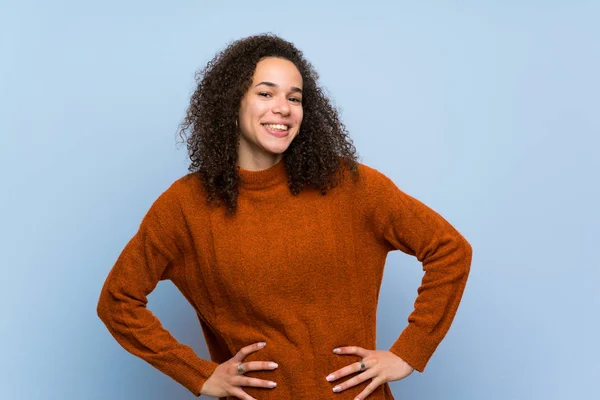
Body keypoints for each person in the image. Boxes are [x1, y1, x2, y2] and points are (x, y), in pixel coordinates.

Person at [97, 33, 473, 400]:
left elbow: (449, 249)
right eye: (265, 93)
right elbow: (118, 301)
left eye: (295, 97)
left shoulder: (350, 185)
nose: (283, 108)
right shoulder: (186, 205)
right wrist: (200, 374)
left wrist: (409, 352)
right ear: (232, 103)